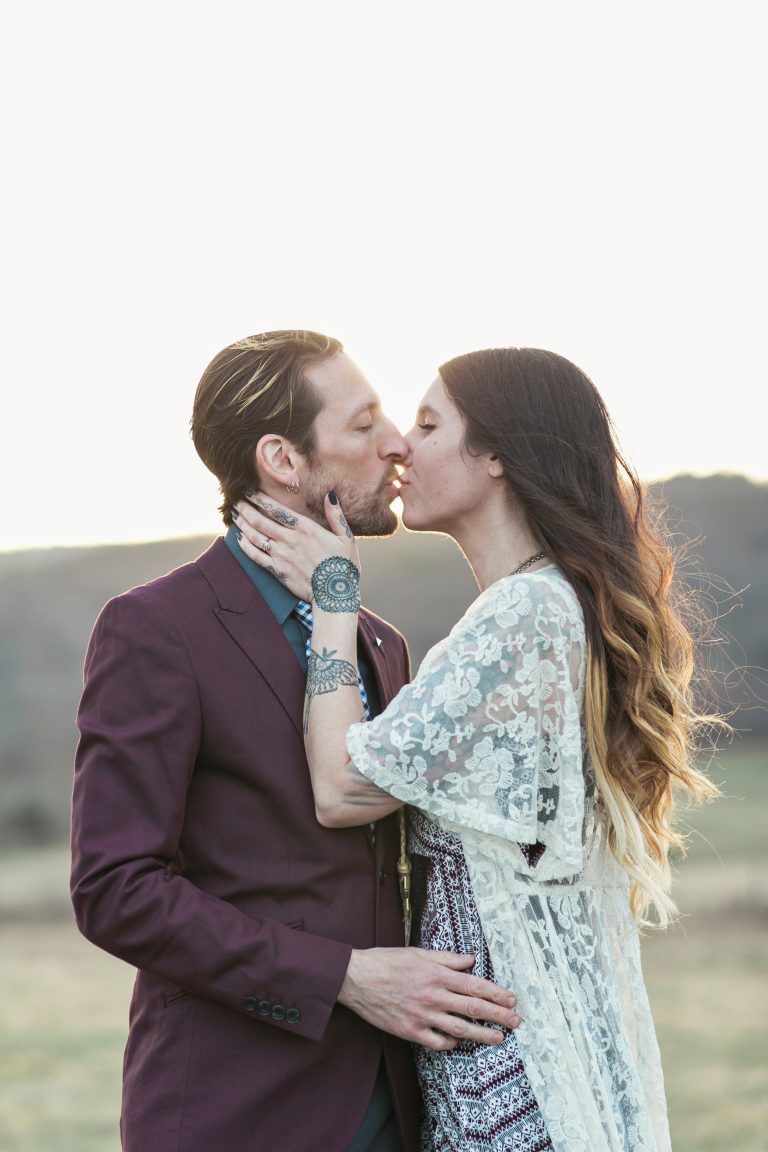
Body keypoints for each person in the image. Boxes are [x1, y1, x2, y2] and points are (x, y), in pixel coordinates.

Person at [231, 345, 720, 1152]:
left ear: (495, 455)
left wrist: (333, 599)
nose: (400, 446)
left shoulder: (523, 618)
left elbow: (342, 787)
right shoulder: (559, 606)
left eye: (428, 425)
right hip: (519, 1051)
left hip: (510, 1077)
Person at [70, 331, 522, 1152]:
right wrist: (342, 978)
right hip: (236, 1108)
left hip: (400, 1097)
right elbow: (115, 888)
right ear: (283, 458)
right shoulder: (156, 629)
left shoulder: (378, 640)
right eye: (362, 425)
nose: (394, 444)